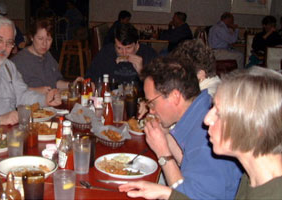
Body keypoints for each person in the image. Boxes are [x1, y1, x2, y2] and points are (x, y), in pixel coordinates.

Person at [120, 66, 282, 200]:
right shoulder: (253, 178)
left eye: (219, 113)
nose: (207, 119)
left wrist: (164, 154)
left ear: (255, 128)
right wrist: (168, 194)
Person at [11, 18, 82, 94]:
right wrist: (37, 90)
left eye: (48, 39)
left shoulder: (47, 55)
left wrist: (71, 85)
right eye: (40, 39)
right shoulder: (18, 61)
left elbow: (55, 82)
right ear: (31, 37)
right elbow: (12, 91)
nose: (44, 44)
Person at [85, 23, 157, 92]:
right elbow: (90, 76)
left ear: (137, 44)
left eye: (128, 48)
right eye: (119, 48)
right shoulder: (106, 53)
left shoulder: (149, 55)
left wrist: (142, 72)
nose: (124, 52)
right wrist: (89, 84)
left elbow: (159, 87)